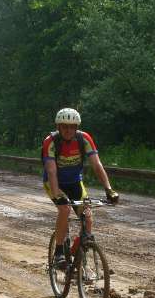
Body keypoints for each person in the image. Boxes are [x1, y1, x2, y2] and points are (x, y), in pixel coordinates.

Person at [42, 108, 118, 269]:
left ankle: (79, 254)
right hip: (55, 183)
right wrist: (57, 194)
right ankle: (59, 252)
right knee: (64, 210)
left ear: (77, 127)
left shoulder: (84, 139)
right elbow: (51, 170)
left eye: (72, 127)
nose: (68, 130)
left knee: (87, 217)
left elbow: (96, 165)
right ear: (58, 126)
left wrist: (109, 189)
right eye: (64, 127)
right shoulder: (51, 141)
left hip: (75, 182)